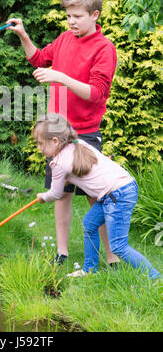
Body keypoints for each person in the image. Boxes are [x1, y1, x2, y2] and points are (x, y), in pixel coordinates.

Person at [7, 0, 119, 266]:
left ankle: (111, 257)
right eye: (68, 15)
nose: (71, 22)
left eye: (78, 16)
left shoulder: (104, 49)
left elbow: (97, 93)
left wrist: (61, 78)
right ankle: (62, 252)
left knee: (95, 196)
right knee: (62, 194)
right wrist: (23, 35)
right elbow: (38, 58)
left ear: (95, 15)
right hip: (57, 133)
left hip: (84, 134)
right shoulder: (65, 39)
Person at [33, 113, 161, 280]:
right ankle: (89, 269)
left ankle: (156, 278)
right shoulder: (79, 144)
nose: (38, 148)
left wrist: (43, 197)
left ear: (55, 141)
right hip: (124, 187)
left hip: (116, 195)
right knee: (90, 224)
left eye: (40, 144)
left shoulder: (58, 163)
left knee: (119, 246)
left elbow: (55, 194)